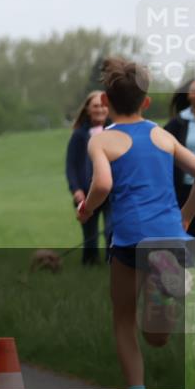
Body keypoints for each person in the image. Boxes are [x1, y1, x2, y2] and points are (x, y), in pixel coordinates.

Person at [78, 58, 195, 389]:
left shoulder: (103, 141)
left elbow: (102, 183)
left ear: (106, 99)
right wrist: (187, 216)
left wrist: (87, 208)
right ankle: (173, 281)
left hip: (130, 240)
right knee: (158, 337)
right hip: (169, 237)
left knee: (123, 320)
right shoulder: (162, 135)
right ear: (146, 101)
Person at [66, 90, 112, 264]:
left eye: (103, 105)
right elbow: (71, 165)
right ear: (87, 109)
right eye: (95, 106)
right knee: (90, 236)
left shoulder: (116, 131)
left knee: (111, 230)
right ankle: (90, 265)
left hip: (112, 193)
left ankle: (113, 264)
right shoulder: (79, 135)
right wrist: (76, 189)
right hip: (87, 193)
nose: (100, 109)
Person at [164, 77, 195, 248]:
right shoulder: (178, 122)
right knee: (188, 223)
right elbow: (162, 143)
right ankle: (185, 264)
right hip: (187, 184)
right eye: (193, 91)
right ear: (187, 96)